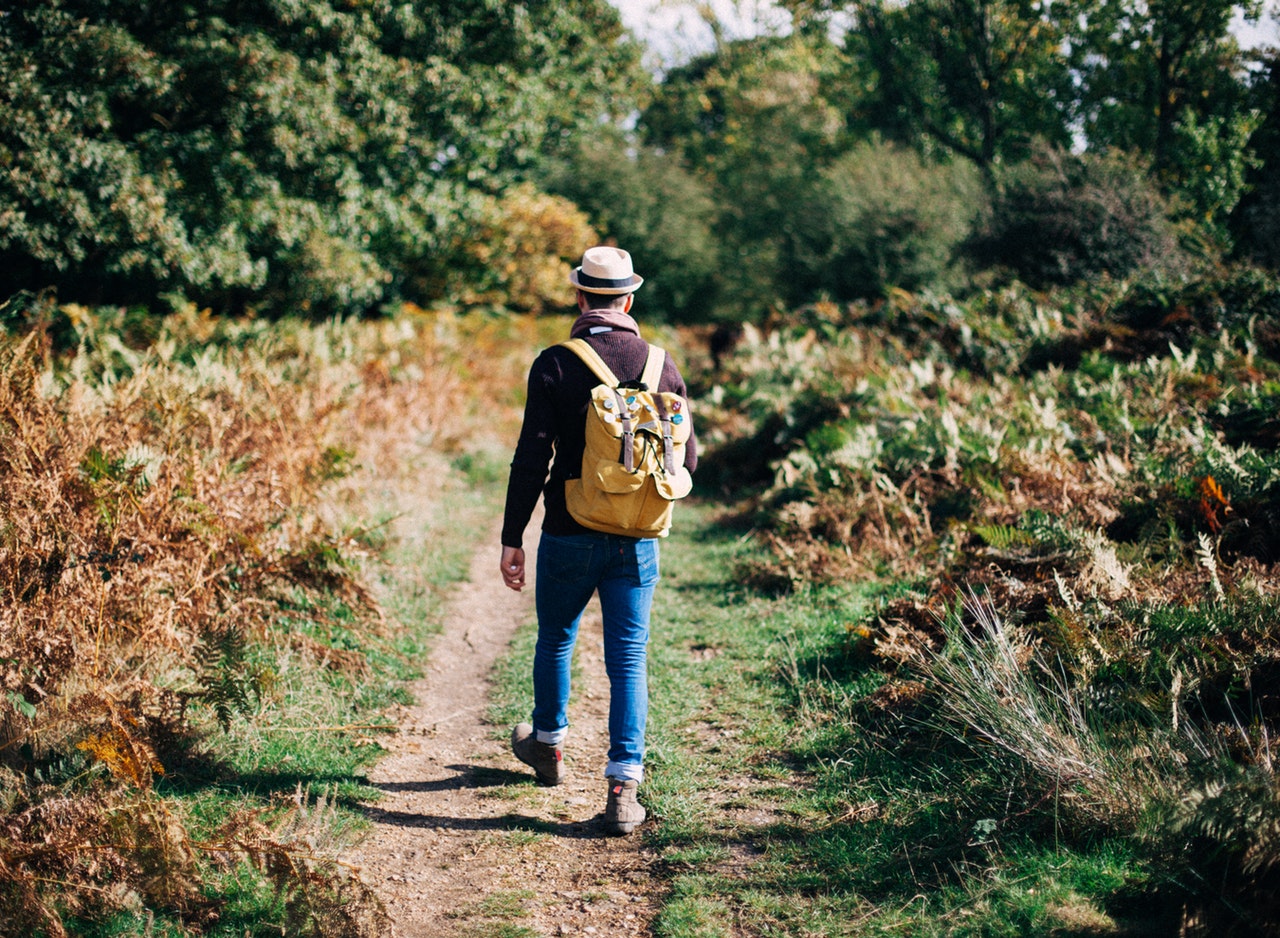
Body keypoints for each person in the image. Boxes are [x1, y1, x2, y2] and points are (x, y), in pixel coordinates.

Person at [499, 245, 697, 835]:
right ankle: (622, 787)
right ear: (629, 299)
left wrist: (514, 536)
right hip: (637, 537)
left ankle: (548, 746)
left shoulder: (556, 362)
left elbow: (531, 456)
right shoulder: (663, 365)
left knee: (556, 638)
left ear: (581, 297)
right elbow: (687, 456)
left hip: (567, 529)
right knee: (628, 658)